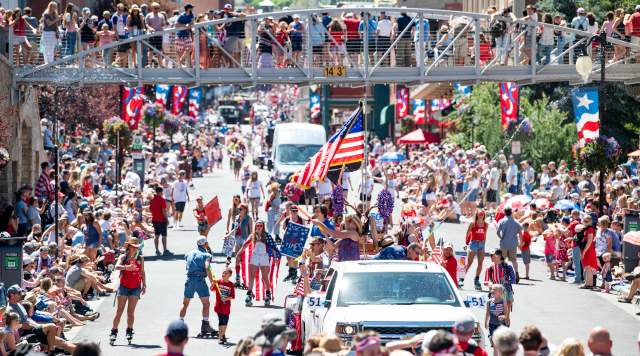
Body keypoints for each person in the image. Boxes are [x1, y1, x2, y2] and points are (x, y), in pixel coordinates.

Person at [235, 220, 281, 306]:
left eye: (260, 225)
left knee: (264, 277)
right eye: (257, 225)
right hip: (255, 256)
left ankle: (268, 293)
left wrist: (275, 257)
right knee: (252, 276)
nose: (258, 227)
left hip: (264, 256)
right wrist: (238, 253)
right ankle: (249, 294)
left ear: (263, 226)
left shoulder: (267, 236)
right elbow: (245, 245)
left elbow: (273, 247)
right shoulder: (252, 235)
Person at [110, 238, 146, 345]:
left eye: (137, 247)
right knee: (119, 311)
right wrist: (127, 267)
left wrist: (144, 284)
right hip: (124, 286)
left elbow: (142, 271)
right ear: (129, 247)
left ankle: (129, 330)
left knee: (131, 312)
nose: (135, 249)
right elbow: (116, 267)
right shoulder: (123, 257)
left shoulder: (140, 258)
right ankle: (114, 331)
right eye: (133, 247)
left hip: (135, 287)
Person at [496, 207, 521, 282]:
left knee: (502, 259)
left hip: (504, 243)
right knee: (514, 260)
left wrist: (501, 237)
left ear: (504, 212)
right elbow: (520, 232)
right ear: (511, 212)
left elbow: (497, 232)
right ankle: (516, 272)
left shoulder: (501, 221)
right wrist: (521, 242)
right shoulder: (516, 222)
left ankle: (503, 275)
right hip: (513, 243)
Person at [465, 209, 488, 289]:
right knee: (469, 262)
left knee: (480, 263)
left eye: (482, 214)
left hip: (481, 244)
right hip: (473, 243)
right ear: (477, 215)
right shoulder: (473, 223)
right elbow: (468, 233)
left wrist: (483, 245)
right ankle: (461, 277)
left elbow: (485, 235)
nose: (481, 215)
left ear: (484, 215)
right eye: (479, 214)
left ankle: (476, 279)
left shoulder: (486, 224)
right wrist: (467, 243)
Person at [214, 267, 235, 345]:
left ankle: (223, 334)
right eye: (223, 273)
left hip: (226, 307)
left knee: (225, 322)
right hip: (219, 306)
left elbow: (232, 296)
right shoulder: (218, 282)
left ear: (229, 275)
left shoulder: (231, 284)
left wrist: (226, 299)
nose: (223, 274)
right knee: (221, 321)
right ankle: (220, 337)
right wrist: (213, 283)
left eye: (225, 273)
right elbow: (212, 289)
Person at [150, 186, 170, 256]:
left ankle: (157, 250)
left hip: (154, 219)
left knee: (156, 235)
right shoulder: (162, 200)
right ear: (161, 192)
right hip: (161, 220)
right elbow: (164, 211)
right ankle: (165, 250)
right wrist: (167, 219)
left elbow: (151, 209)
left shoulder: (152, 200)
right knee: (164, 236)